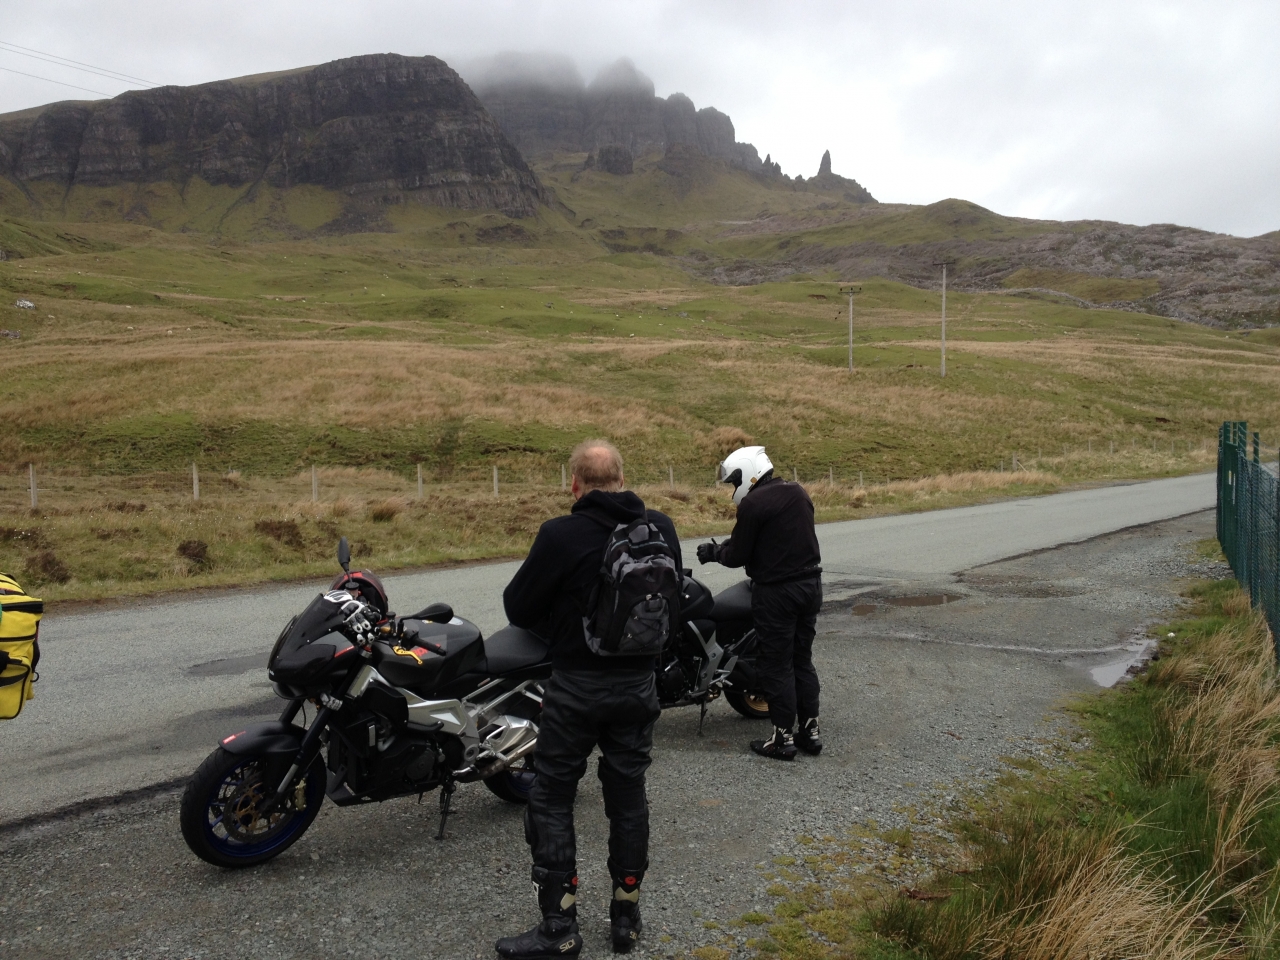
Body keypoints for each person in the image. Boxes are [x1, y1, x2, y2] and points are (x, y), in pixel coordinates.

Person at [496, 439, 680, 959]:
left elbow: (517, 605)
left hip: (575, 687)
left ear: (574, 484)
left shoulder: (561, 533)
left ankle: (559, 928)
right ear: (622, 479)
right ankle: (626, 916)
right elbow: (674, 603)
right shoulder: (660, 528)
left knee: (552, 796)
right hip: (638, 689)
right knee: (628, 799)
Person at [696, 445, 823, 761]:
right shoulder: (796, 492)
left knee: (776, 664)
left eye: (733, 481)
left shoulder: (753, 504)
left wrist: (713, 553)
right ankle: (810, 731)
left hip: (777, 593)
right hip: (810, 586)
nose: (733, 489)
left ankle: (782, 740)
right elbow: (772, 539)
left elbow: (738, 554)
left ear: (747, 473)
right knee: (801, 660)